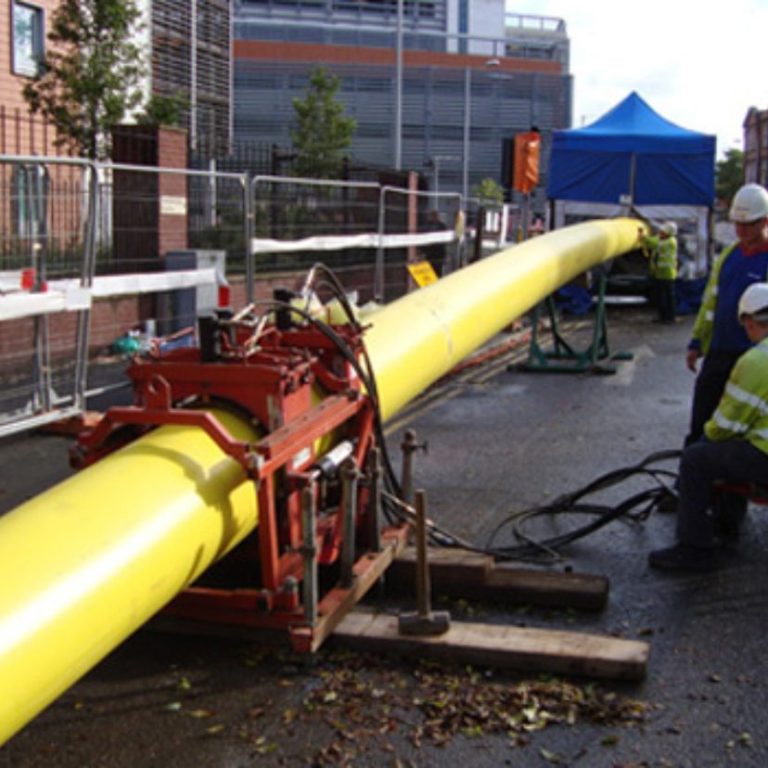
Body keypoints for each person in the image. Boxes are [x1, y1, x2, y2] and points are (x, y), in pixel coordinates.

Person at [649, 282, 768, 572]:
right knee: (731, 452)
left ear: (750, 321)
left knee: (697, 459)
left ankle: (694, 549)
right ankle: (727, 525)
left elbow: (726, 425)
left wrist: (706, 438)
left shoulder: (756, 361)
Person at [685, 184, 768, 446]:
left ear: (764, 221)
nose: (741, 231)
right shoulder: (730, 256)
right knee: (702, 417)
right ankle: (693, 475)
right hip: (720, 351)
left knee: (738, 425)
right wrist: (697, 341)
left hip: (752, 357)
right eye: (737, 224)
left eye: (748, 225)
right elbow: (711, 303)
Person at [641, 221, 678, 323]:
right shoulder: (663, 239)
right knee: (660, 296)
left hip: (667, 274)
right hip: (659, 273)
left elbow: (655, 244)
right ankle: (662, 316)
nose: (660, 233)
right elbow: (654, 241)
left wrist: (644, 237)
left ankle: (670, 317)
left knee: (668, 297)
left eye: (663, 232)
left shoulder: (670, 242)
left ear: (669, 233)